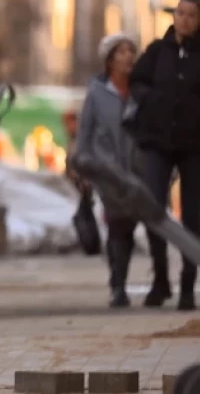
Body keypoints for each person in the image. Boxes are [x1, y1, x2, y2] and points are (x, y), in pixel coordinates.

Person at [127, 0, 200, 311]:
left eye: (191, 14)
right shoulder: (158, 51)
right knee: (152, 207)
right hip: (158, 142)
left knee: (194, 216)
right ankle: (160, 281)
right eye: (180, 13)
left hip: (194, 146)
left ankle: (187, 284)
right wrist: (150, 101)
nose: (184, 19)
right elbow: (137, 82)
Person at [76, 32, 139, 307]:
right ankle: (118, 285)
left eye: (130, 52)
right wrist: (82, 168)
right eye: (122, 52)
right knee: (117, 224)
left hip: (137, 171)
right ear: (110, 60)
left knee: (129, 227)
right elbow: (85, 132)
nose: (128, 57)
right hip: (108, 171)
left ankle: (123, 279)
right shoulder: (97, 93)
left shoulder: (140, 91)